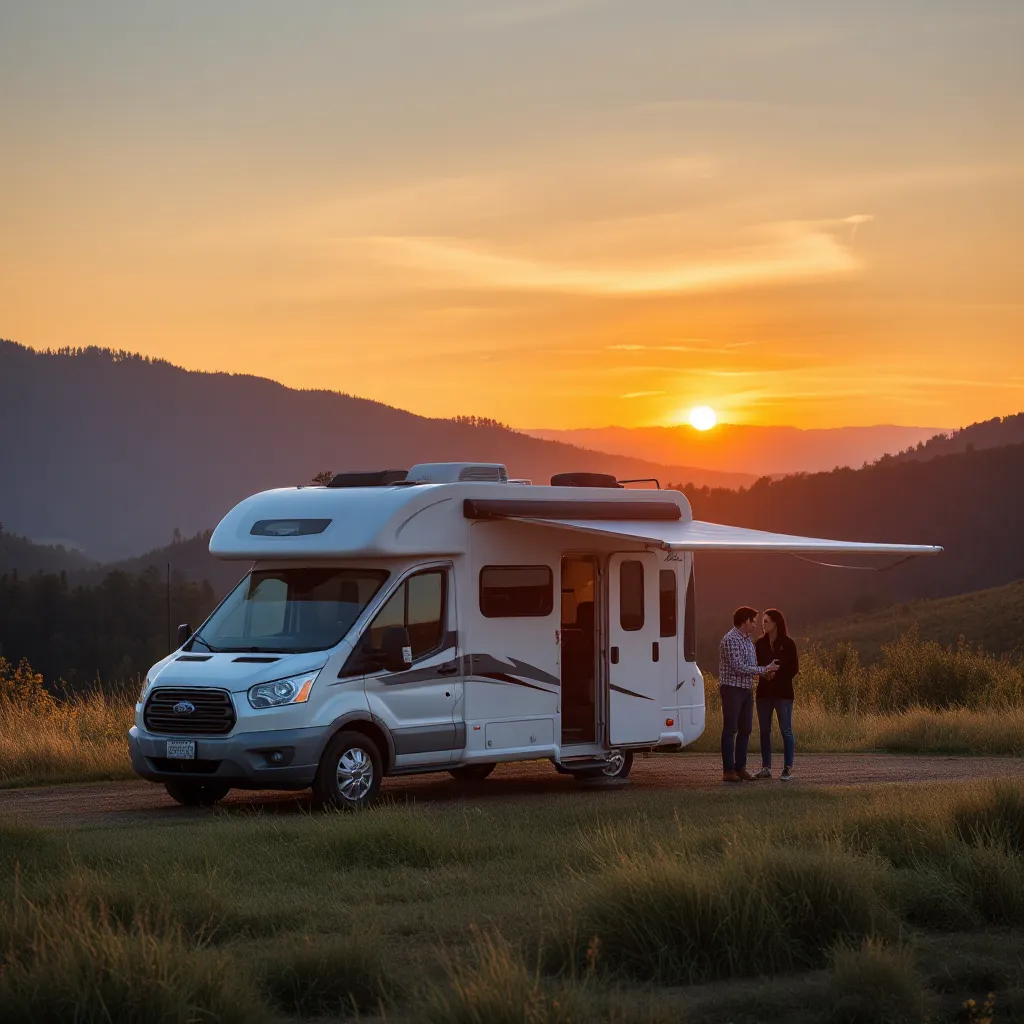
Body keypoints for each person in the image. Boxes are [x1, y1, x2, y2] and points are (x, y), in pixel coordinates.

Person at [718, 607, 779, 783]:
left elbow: (751, 666)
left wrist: (765, 672)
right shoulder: (730, 640)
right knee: (731, 730)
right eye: (753, 621)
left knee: (745, 729)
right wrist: (764, 670)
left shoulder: (747, 640)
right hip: (732, 689)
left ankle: (740, 768)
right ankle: (728, 771)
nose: (755, 624)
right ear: (745, 621)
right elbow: (739, 666)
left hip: (746, 689)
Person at [753, 608, 798, 782]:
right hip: (764, 692)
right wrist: (764, 673)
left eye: (766, 621)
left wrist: (777, 672)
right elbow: (755, 665)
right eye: (762, 621)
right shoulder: (759, 643)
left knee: (786, 730)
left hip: (783, 693)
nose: (763, 625)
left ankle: (787, 768)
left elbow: (794, 669)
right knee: (764, 730)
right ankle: (766, 767)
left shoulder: (788, 644)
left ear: (776, 623)